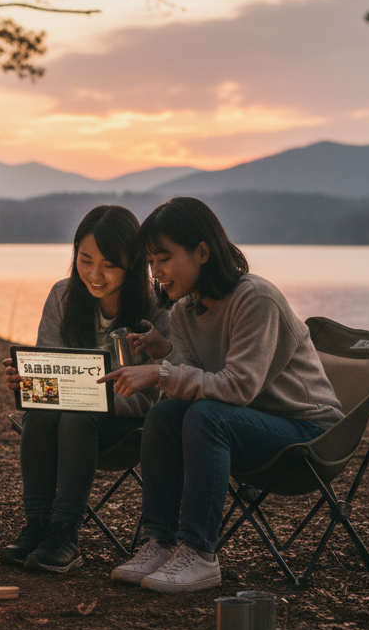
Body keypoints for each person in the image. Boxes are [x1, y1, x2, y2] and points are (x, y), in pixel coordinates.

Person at [98, 197, 343, 593]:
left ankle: (199, 552)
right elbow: (192, 384)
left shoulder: (255, 299)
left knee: (205, 415)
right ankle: (160, 542)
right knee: (164, 415)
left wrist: (160, 372)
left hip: (307, 430)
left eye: (163, 258)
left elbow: (237, 387)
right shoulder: (184, 312)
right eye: (149, 262)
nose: (155, 272)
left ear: (202, 252)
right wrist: (167, 368)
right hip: (243, 425)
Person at [1, 205, 170, 573]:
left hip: (128, 422)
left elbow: (154, 394)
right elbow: (52, 372)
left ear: (131, 263)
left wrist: (96, 397)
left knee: (78, 414)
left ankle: (65, 531)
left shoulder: (154, 308)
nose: (95, 274)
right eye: (85, 259)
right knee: (40, 413)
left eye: (109, 264)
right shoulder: (63, 297)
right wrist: (29, 382)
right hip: (65, 414)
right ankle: (38, 524)